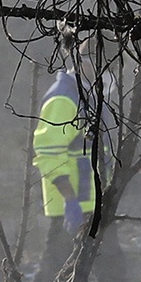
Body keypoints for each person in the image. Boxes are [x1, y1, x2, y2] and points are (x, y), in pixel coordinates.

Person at [34, 63, 98, 233]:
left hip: (91, 203)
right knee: (61, 257)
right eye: (111, 68)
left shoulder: (86, 95)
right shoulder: (63, 99)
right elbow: (49, 154)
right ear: (87, 63)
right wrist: (70, 199)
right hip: (72, 207)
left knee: (106, 257)